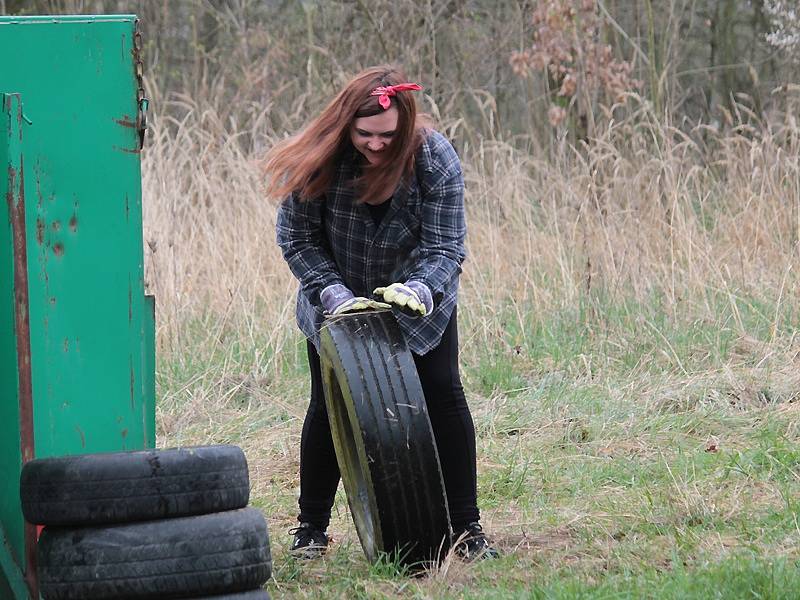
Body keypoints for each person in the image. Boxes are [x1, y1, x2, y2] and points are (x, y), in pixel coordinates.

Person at [266, 65, 497, 561]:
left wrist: (422, 288)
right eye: (365, 134)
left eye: (387, 136)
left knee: (444, 396)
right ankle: (310, 530)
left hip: (419, 306)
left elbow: (447, 247)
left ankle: (468, 530)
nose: (375, 144)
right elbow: (297, 238)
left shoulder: (435, 160)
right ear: (348, 125)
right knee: (327, 408)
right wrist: (329, 291)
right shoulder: (321, 161)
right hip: (336, 301)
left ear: (406, 127)